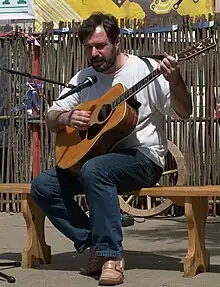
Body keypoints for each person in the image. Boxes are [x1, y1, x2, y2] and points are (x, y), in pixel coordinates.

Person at [31, 12, 192, 286]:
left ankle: (111, 257)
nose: (94, 53)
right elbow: (50, 116)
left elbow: (185, 112)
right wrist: (67, 118)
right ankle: (92, 243)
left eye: (100, 46)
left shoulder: (145, 70)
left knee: (96, 170)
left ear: (117, 42)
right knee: (43, 186)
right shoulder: (84, 77)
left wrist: (175, 80)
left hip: (143, 158)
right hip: (97, 160)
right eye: (89, 48)